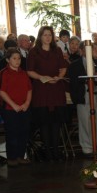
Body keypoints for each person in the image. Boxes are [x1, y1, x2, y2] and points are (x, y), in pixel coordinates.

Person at [27, 26, 69, 161]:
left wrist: (59, 76)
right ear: (40, 37)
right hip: (42, 88)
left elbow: (63, 68)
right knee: (44, 122)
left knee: (56, 122)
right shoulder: (34, 51)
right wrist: (42, 78)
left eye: (50, 35)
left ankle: (56, 150)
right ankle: (48, 151)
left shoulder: (57, 50)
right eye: (45, 35)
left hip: (56, 88)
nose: (47, 37)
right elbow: (29, 71)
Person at [68, 41, 97, 156]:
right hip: (83, 95)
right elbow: (74, 83)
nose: (96, 51)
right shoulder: (75, 65)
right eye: (92, 49)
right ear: (82, 51)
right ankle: (87, 147)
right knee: (85, 121)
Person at [0, 48, 32, 167]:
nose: (17, 61)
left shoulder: (23, 73)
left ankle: (21, 156)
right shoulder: (3, 73)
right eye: (14, 58)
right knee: (12, 133)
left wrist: (26, 103)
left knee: (24, 132)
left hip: (24, 107)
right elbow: (1, 91)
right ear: (8, 60)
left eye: (19, 58)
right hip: (10, 108)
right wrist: (14, 105)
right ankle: (11, 157)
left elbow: (29, 89)